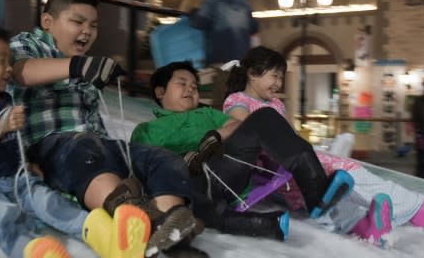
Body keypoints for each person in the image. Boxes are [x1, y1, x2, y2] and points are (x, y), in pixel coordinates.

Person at [0, 22, 155, 258]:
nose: (9, 68)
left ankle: (112, 242)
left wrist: (27, 162)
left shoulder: (5, 99)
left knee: (52, 203)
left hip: (17, 179)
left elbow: (13, 144)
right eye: (2, 61)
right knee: (2, 215)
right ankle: (37, 255)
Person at [7, 0, 206, 258]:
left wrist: (120, 155)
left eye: (93, 25)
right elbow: (20, 72)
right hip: (52, 149)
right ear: (48, 22)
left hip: (93, 145)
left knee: (161, 159)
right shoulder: (28, 45)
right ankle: (136, 217)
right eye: (78, 22)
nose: (87, 31)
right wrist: (77, 66)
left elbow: (93, 122)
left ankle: (170, 225)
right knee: (84, 149)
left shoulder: (86, 69)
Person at [223, 46, 424, 246]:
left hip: (293, 162)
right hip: (277, 166)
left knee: (340, 181)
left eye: (281, 78)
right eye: (275, 76)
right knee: (344, 171)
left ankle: (367, 225)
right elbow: (244, 131)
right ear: (252, 74)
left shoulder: (276, 103)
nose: (279, 84)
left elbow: (290, 136)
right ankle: (416, 207)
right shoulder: (238, 101)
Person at [131, 60, 356, 241]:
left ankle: (316, 192)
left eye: (194, 86)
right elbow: (143, 166)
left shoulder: (206, 114)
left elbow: (237, 124)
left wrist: (217, 136)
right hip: (185, 186)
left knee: (265, 116)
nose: (191, 88)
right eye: (182, 83)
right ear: (160, 92)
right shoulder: (147, 129)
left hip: (225, 170)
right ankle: (262, 225)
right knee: (185, 193)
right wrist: (180, 160)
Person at [188, 0, 258, 66]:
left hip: (219, 60)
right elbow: (254, 30)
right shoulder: (245, 4)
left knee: (221, 82)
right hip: (241, 62)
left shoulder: (213, 1)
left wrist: (192, 13)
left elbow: (198, 22)